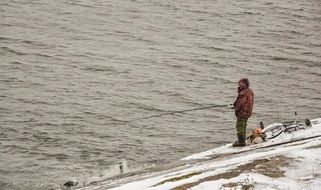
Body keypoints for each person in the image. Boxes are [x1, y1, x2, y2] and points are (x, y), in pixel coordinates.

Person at [232, 78, 254, 147]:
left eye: (240, 84)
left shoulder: (243, 92)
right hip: (248, 112)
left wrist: (236, 108)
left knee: (239, 126)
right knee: (243, 126)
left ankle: (241, 142)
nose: (239, 85)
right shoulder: (250, 91)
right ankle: (243, 139)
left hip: (243, 112)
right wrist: (235, 104)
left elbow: (240, 103)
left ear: (243, 85)